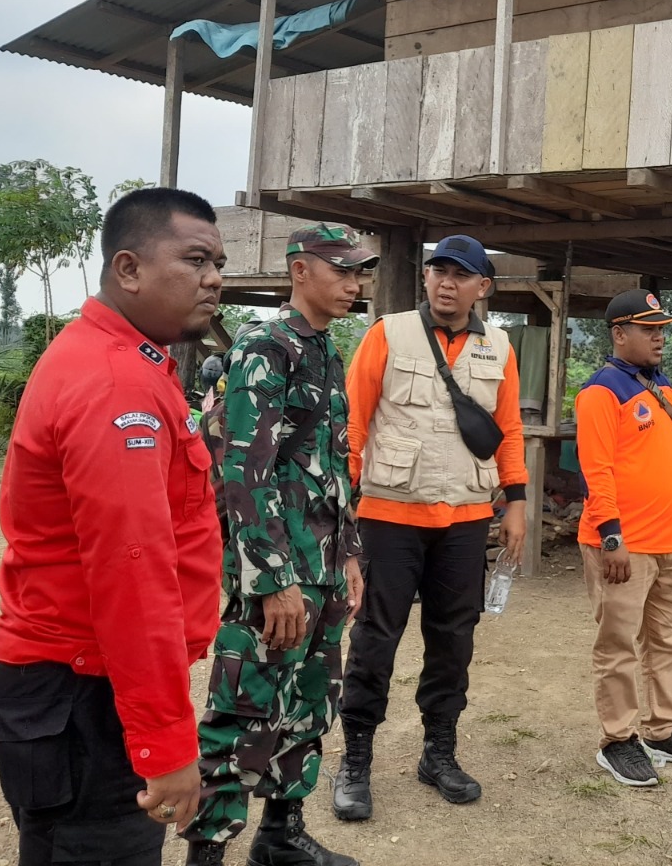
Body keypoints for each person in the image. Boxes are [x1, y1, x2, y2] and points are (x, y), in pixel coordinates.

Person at [0, 187, 226, 866]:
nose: (213, 280)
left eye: (219, 263)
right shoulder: (116, 382)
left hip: (78, 686)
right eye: (196, 259)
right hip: (82, 691)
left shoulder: (122, 359)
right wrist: (166, 744)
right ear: (128, 269)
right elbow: (133, 573)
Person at [181, 225, 376, 866]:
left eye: (361, 272)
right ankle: (206, 853)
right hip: (277, 570)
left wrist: (348, 552)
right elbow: (243, 470)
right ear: (299, 270)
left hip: (320, 565)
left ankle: (281, 833)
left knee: (311, 700)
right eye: (342, 270)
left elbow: (333, 463)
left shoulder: (325, 349)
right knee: (242, 708)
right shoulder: (266, 348)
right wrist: (272, 579)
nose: (356, 283)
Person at [331, 234, 527, 816]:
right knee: (375, 638)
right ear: (425, 277)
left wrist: (515, 501)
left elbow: (509, 428)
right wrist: (346, 508)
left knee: (453, 639)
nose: (446, 282)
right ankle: (356, 760)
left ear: (482, 287)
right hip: (390, 516)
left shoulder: (501, 347)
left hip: (465, 518)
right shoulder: (386, 333)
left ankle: (438, 753)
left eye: (461, 274)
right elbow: (354, 424)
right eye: (438, 270)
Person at [576, 289, 672, 787]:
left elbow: (670, 460)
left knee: (669, 638)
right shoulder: (601, 391)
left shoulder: (660, 386)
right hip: (623, 544)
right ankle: (618, 740)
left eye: (662, 328)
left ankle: (666, 729)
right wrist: (610, 536)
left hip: (666, 540)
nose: (660, 337)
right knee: (617, 643)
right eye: (649, 328)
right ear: (620, 333)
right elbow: (596, 471)